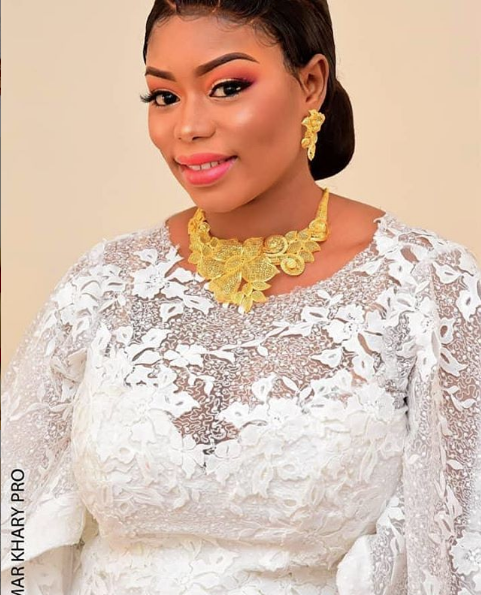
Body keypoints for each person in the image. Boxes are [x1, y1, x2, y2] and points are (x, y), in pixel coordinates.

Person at [1, 1, 480, 593]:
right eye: (164, 96)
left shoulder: (426, 285)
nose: (187, 127)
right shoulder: (105, 283)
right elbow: (15, 516)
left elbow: (453, 557)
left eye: (227, 87)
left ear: (311, 84)